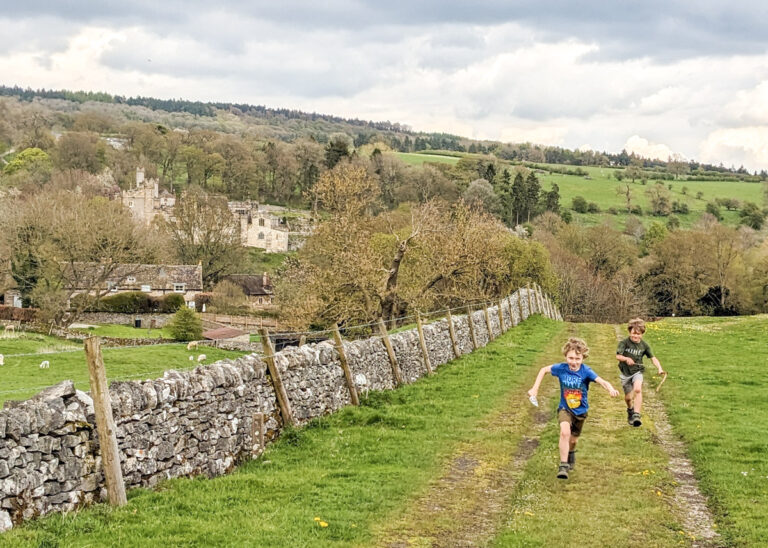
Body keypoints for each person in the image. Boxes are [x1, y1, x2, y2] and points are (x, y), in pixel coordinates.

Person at [528, 337, 619, 479]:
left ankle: (570, 453)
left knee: (573, 440)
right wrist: (535, 389)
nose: (574, 362)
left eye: (577, 358)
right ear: (565, 356)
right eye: (570, 358)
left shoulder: (586, 371)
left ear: (583, 357)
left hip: (581, 411)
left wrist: (610, 389)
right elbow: (543, 370)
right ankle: (563, 466)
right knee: (564, 432)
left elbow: (602, 381)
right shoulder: (561, 369)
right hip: (565, 408)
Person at [616, 318, 665, 427]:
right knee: (628, 398)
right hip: (625, 373)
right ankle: (630, 410)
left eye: (638, 334)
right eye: (633, 334)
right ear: (629, 332)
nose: (635, 336)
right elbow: (618, 356)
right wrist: (626, 359)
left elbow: (653, 358)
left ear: (642, 334)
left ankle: (637, 415)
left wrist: (659, 368)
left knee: (638, 389)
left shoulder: (644, 345)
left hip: (637, 371)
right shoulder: (624, 343)